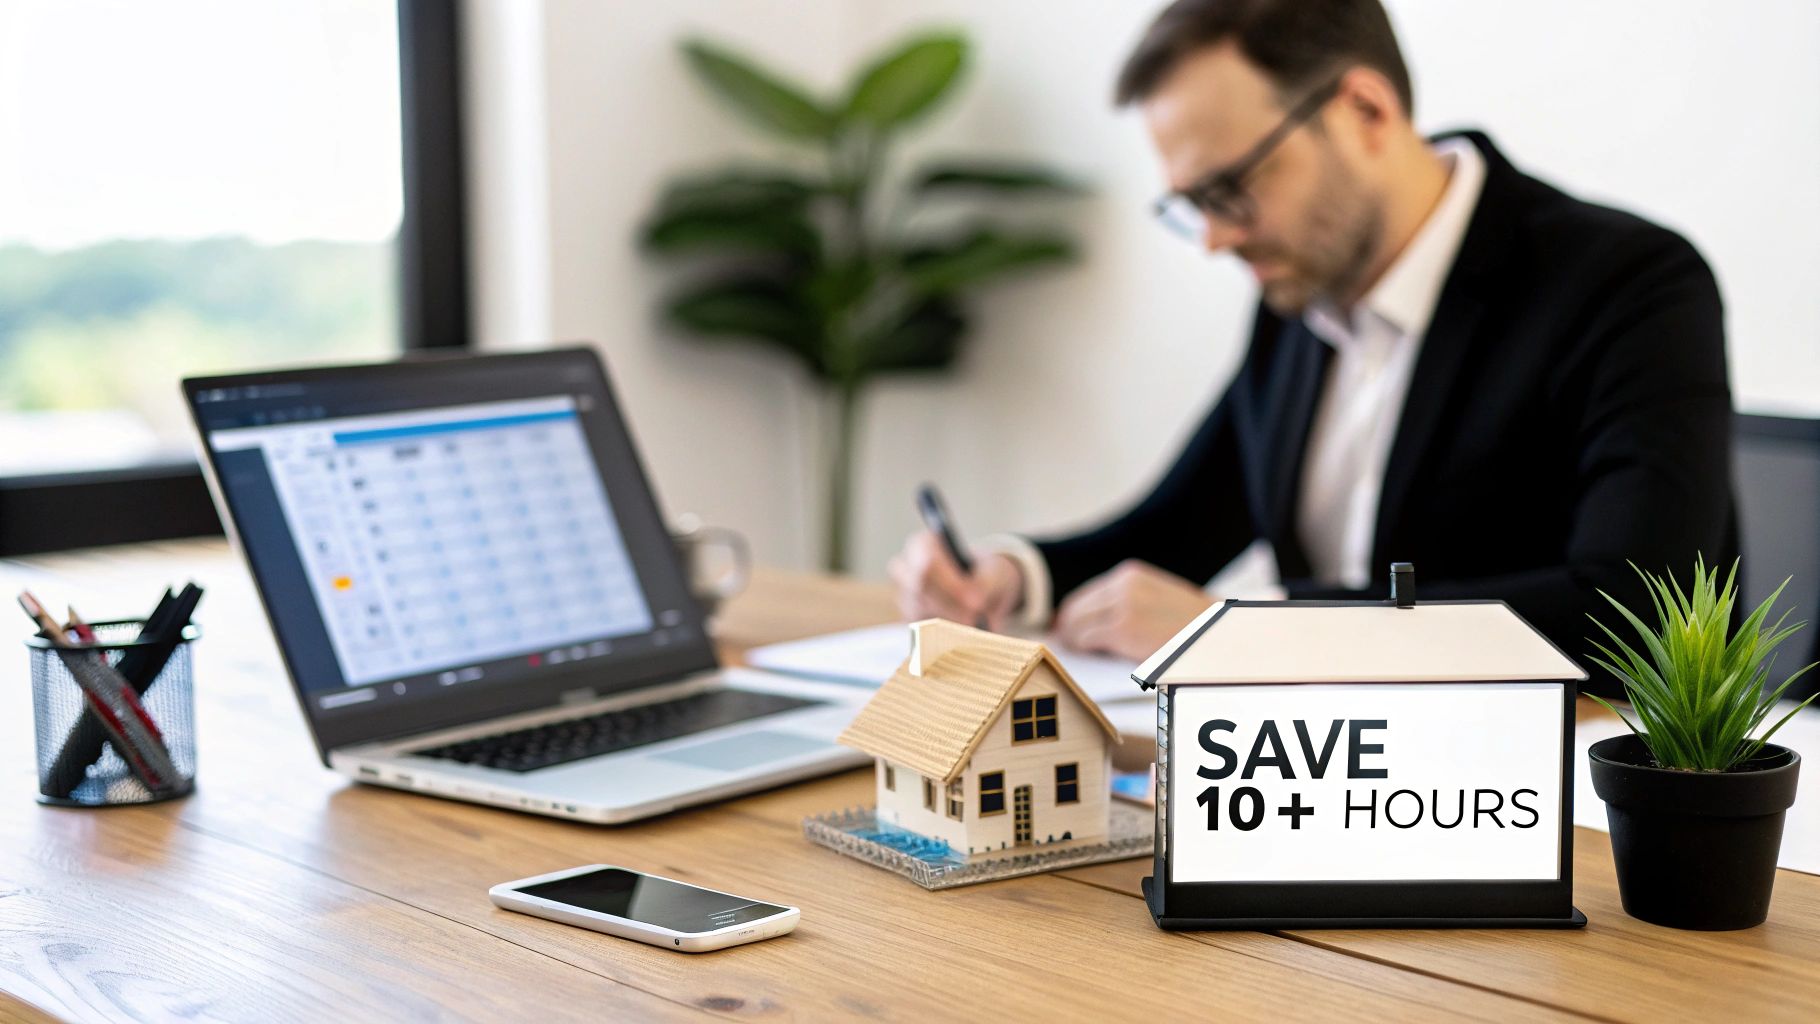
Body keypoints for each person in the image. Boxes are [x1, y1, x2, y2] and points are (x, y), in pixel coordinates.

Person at [889, 0, 1735, 680]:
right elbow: (1182, 525)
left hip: (1539, 802)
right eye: (1192, 204)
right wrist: (1012, 574)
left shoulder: (1627, 284)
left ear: (1365, 110)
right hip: (1324, 783)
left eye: (1229, 188)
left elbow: (1631, 608)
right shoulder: (1301, 288)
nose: (1215, 239)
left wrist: (1254, 634)